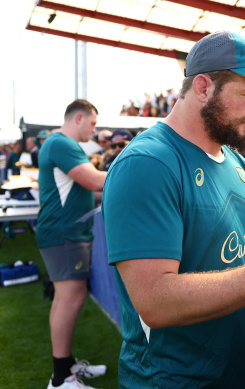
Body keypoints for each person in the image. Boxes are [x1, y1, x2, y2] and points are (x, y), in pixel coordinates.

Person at [102, 31, 245, 388]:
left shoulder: (238, 164)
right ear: (203, 87)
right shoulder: (147, 164)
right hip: (173, 380)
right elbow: (154, 301)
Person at [37, 99, 108, 389]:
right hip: (64, 233)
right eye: (92, 123)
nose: (94, 129)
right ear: (78, 118)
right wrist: (134, 173)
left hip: (65, 231)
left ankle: (64, 366)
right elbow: (94, 182)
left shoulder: (60, 144)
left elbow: (84, 194)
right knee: (71, 297)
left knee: (67, 297)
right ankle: (61, 378)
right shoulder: (61, 144)